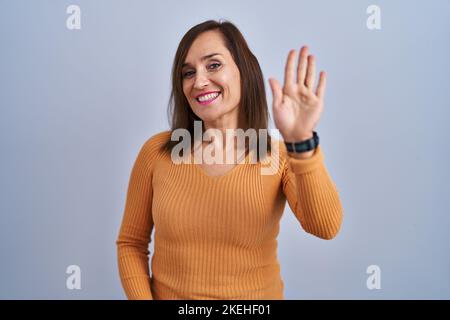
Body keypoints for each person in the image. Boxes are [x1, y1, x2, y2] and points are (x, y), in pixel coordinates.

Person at [116, 19, 343, 300]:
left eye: (213, 65)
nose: (198, 81)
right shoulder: (157, 152)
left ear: (243, 72)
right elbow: (131, 244)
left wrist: (301, 143)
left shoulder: (279, 156)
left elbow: (325, 226)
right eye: (188, 72)